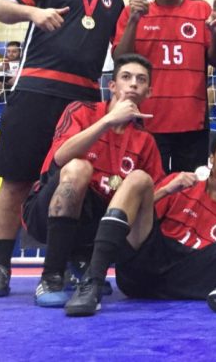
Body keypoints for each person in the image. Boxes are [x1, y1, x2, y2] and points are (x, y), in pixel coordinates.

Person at [0, 0, 124, 298]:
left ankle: (71, 264)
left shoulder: (115, 0)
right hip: (35, 93)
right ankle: (0, 267)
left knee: (82, 183)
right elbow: (1, 9)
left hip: (84, 102)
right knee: (16, 179)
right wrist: (34, 12)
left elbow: (123, 54)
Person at [63, 129, 216, 316]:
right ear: (212, 158)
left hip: (193, 280)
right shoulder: (180, 183)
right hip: (146, 270)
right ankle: (92, 282)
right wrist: (167, 190)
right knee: (138, 178)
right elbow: (137, 214)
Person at [22, 53, 165, 307]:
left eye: (141, 80)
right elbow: (61, 156)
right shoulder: (82, 110)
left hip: (95, 221)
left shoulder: (146, 142)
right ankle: (51, 277)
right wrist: (108, 121)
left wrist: (171, 188)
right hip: (46, 210)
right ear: (112, 86)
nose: (133, 84)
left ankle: (83, 261)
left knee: (134, 190)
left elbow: (144, 199)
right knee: (78, 168)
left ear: (149, 92)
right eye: (126, 77)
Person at [114, 0, 216, 173]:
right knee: (147, 188)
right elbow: (120, 59)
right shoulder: (133, 10)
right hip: (145, 119)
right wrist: (134, 20)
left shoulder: (201, 9)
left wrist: (215, 34)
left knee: (190, 192)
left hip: (192, 120)